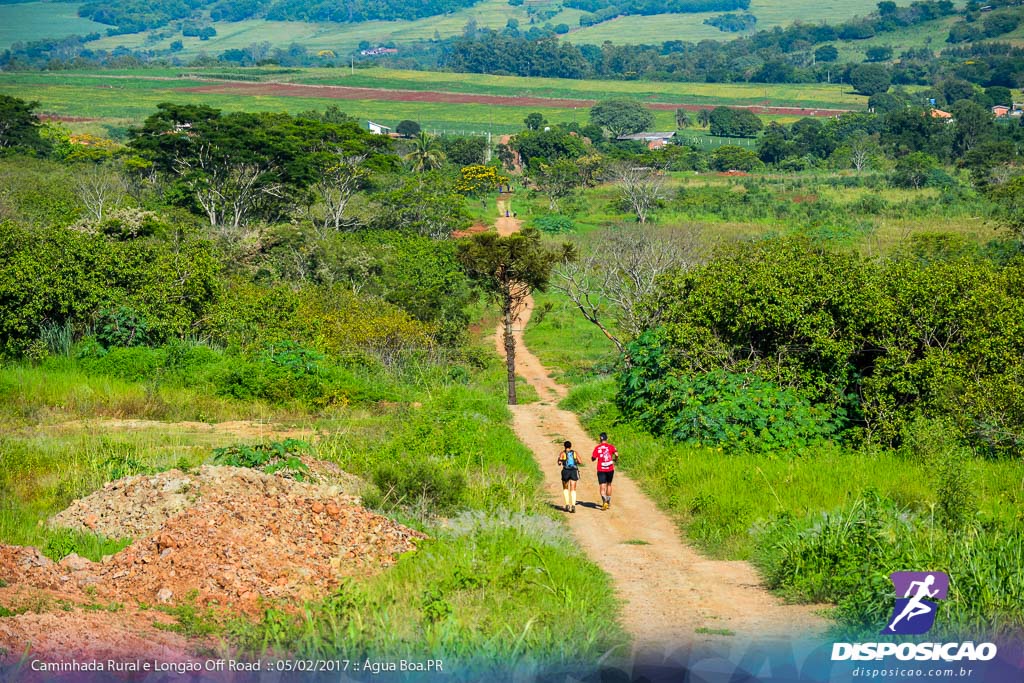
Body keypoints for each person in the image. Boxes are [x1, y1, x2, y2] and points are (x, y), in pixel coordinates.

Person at [591, 432, 618, 510]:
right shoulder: (611, 447)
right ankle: (608, 502)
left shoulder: (597, 448)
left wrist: (594, 458)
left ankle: (604, 502)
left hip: (601, 469)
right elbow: (616, 454)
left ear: (600, 439)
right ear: (607, 438)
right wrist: (615, 460)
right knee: (609, 484)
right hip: (610, 469)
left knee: (602, 486)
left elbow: (593, 458)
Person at [557, 440, 581, 512]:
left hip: (565, 471)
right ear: (570, 446)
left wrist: (559, 459)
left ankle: (567, 504)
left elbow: (559, 463)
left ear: (564, 446)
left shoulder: (562, 453)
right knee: (573, 489)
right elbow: (580, 461)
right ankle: (573, 505)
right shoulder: (574, 453)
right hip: (573, 471)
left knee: (565, 488)